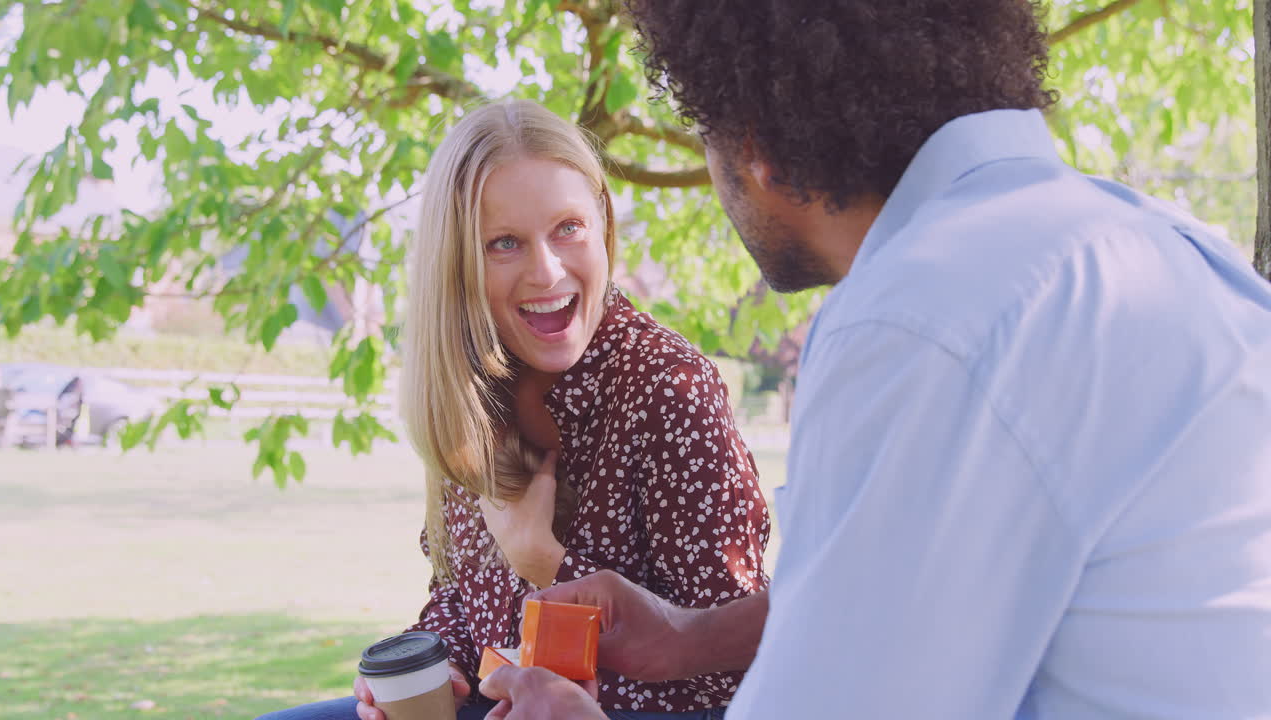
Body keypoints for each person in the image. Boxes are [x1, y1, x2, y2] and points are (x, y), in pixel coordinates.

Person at [480, 1, 1271, 718]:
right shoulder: (1165, 246)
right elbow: (911, 585)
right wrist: (691, 636)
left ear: (756, 147)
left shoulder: (919, 317)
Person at [256, 100, 769, 720]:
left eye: (568, 228)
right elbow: (461, 596)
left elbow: (735, 668)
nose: (546, 272)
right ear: (458, 265)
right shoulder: (469, 387)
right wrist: (437, 664)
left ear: (603, 225)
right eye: (504, 243)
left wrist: (545, 562)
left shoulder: (669, 388)